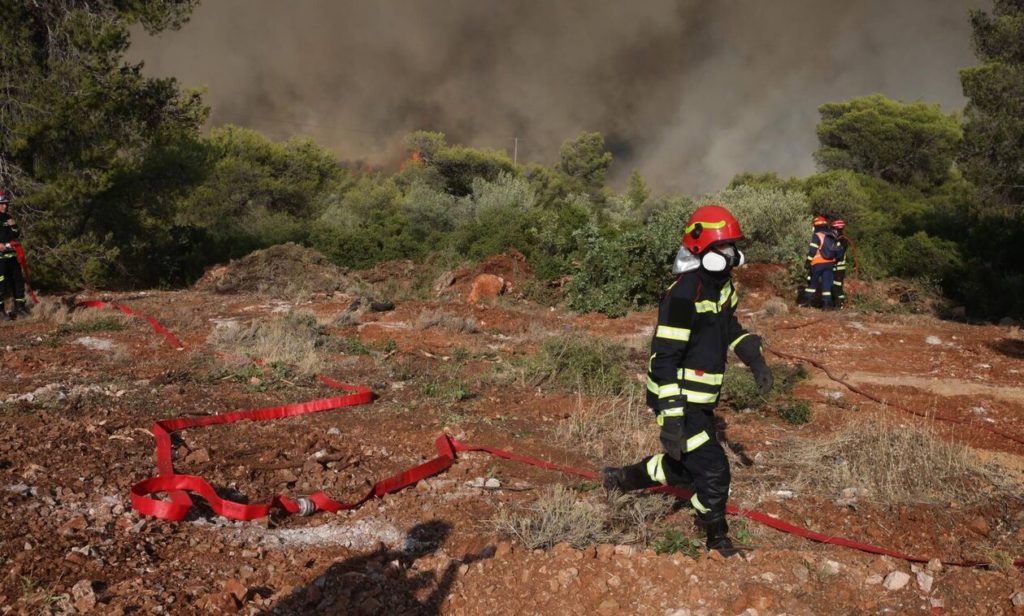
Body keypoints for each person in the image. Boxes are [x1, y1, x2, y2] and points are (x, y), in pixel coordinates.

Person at [601, 204, 773, 556]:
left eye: (732, 247)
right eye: (724, 247)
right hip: (678, 398)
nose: (732, 255)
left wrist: (754, 359)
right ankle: (716, 538)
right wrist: (672, 414)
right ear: (703, 251)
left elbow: (729, 329)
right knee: (712, 471)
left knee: (682, 467)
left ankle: (621, 479)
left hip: (701, 400)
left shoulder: (721, 287)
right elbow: (663, 359)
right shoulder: (683, 294)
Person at [0, 190, 29, 319]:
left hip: (11, 256)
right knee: (1, 285)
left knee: (18, 282)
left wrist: (14, 225)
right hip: (0, 259)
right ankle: (1, 311)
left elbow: (16, 234)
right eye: (2, 204)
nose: (5, 206)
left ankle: (20, 308)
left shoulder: (8, 217)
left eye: (6, 203)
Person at [801, 215, 838, 310]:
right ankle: (826, 305)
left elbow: (812, 251)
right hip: (830, 263)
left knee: (812, 284)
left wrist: (808, 261)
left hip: (818, 263)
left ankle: (807, 302)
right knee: (826, 284)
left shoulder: (817, 235)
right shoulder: (832, 234)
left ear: (816, 225)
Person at [830, 219, 849, 308]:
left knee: (837, 286)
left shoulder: (843, 240)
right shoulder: (836, 239)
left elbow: (839, 254)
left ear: (837, 229)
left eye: (833, 229)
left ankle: (839, 304)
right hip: (835, 267)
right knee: (834, 285)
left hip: (839, 267)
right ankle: (836, 303)